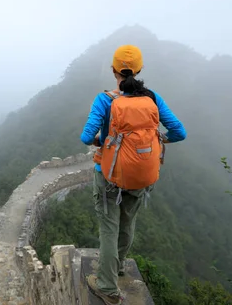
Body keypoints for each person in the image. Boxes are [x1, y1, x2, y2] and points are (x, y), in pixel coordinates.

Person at [80, 44, 186, 305]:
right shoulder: (151, 98)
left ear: (113, 70)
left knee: (108, 228)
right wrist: (159, 139)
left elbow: (85, 137)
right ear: (139, 70)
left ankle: (107, 287)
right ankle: (117, 269)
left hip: (108, 174)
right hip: (140, 175)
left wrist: (99, 141)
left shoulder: (105, 99)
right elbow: (179, 132)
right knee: (127, 224)